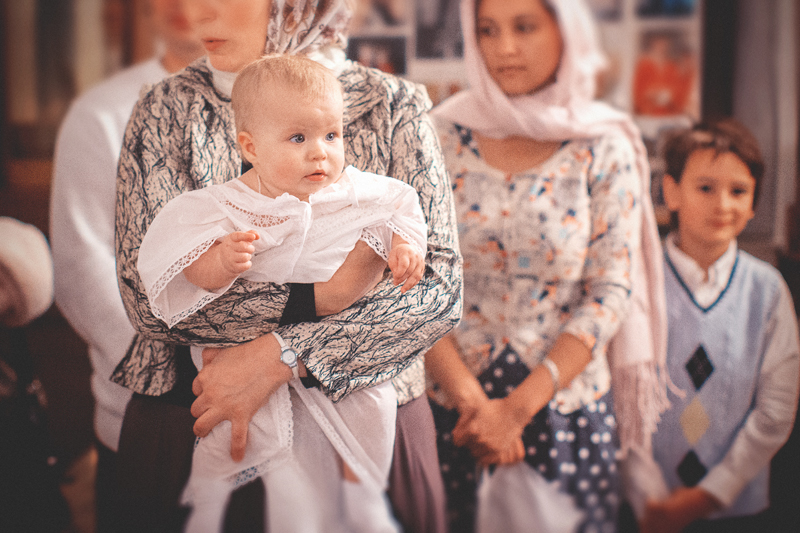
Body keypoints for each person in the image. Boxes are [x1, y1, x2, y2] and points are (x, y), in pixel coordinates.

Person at [113, 1, 461, 532]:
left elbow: (436, 290)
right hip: (200, 407)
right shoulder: (166, 106)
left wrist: (282, 356)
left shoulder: (392, 102)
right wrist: (324, 297)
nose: (197, 13)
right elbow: (148, 293)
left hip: (363, 408)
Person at [425, 0, 668, 531]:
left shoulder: (603, 145)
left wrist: (515, 411)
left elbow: (610, 291)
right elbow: (411, 280)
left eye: (525, 27)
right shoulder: (436, 136)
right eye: (487, 30)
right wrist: (473, 404)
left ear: (567, 30)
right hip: (453, 411)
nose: (504, 48)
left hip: (564, 411)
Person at [49, 2, 203, 530]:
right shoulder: (103, 113)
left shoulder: (275, 104)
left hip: (266, 420)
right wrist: (188, 375)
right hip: (144, 415)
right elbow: (81, 268)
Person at [640, 119, 800, 533]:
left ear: (753, 203)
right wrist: (648, 495)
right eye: (706, 188)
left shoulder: (767, 290)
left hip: (736, 510)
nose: (723, 205)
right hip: (645, 507)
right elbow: (614, 399)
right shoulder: (637, 281)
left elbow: (775, 411)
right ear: (671, 191)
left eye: (739, 191)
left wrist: (707, 496)